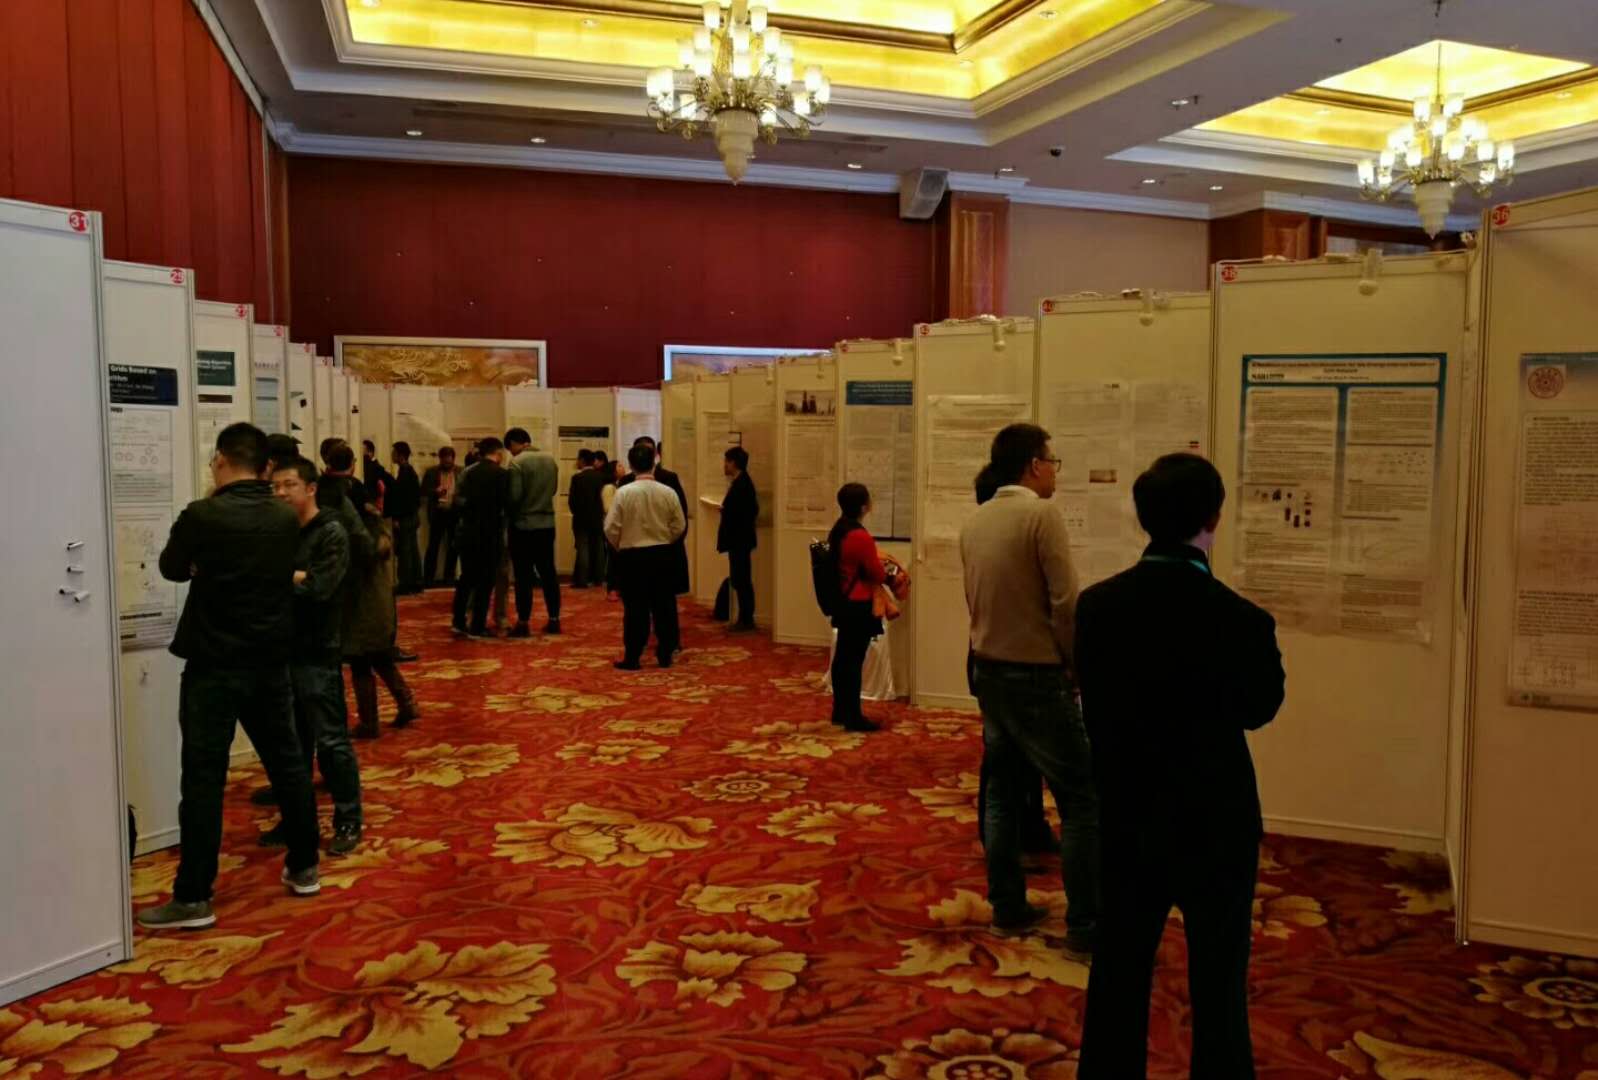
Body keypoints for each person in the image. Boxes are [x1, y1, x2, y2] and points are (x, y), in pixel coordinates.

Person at [1077, 454, 1284, 1080]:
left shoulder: (1097, 607)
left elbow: (1095, 701)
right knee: (1220, 976)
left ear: (1143, 517)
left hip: (1127, 811)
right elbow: (1260, 708)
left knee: (1118, 966)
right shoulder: (1242, 619)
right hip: (1215, 817)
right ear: (1213, 518)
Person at [137, 423, 320, 930]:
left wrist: (205, 563)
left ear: (220, 460)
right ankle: (305, 866)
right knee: (287, 765)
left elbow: (173, 568)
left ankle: (194, 895)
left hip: (214, 665)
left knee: (203, 778)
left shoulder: (202, 515)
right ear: (266, 467)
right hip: (270, 661)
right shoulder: (283, 517)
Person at [961, 422, 1099, 956]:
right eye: (1052, 462)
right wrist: (1074, 664)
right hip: (1038, 673)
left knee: (1001, 792)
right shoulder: (1042, 516)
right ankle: (1086, 926)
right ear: (1034, 465)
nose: (1055, 472)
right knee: (1081, 799)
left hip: (989, 669)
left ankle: (1008, 908)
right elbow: (1065, 602)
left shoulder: (976, 520)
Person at [264, 457, 363, 855]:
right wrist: (294, 578)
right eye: (275, 486)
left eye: (289, 485)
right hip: (281, 648)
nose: (281, 493)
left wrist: (284, 578)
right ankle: (296, 819)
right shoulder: (279, 532)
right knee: (291, 744)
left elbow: (320, 589)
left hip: (318, 650)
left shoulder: (331, 532)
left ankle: (348, 818)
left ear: (310, 488)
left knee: (331, 741)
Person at [970, 462, 1055, 859]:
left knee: (1005, 762)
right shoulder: (1026, 525)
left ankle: (1019, 836)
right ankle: (1022, 837)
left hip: (986, 659)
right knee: (1014, 765)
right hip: (1021, 665)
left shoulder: (980, 534)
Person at [343, 492, 419, 738]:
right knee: (380, 657)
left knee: (361, 662)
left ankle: (369, 721)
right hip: (380, 604)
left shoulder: (357, 536)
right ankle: (407, 703)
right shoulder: (377, 528)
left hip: (361, 607)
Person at [605, 443, 686, 670]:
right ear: (654, 463)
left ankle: (633, 656)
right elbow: (679, 525)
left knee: (635, 608)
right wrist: (666, 540)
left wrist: (621, 546)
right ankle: (665, 653)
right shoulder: (667, 492)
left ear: (631, 465)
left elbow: (611, 527)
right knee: (664, 606)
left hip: (632, 556)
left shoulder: (623, 493)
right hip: (662, 554)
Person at [827, 482, 885, 734]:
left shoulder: (838, 529)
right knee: (853, 661)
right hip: (858, 603)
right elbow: (877, 572)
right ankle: (853, 716)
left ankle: (840, 710)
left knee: (842, 659)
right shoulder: (860, 536)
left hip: (843, 600)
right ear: (864, 506)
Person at [504, 427, 562, 637]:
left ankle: (523, 622)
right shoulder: (550, 460)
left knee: (523, 576)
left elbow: (515, 497)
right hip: (547, 524)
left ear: (514, 443)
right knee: (548, 574)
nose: (510, 453)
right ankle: (554, 619)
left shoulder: (517, 463)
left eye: (510, 448)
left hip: (523, 526)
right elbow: (553, 490)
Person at [618, 436, 690, 600]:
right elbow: (615, 523)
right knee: (636, 602)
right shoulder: (625, 482)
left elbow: (680, 518)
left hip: (663, 549)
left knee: (663, 601)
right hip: (633, 550)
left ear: (655, 455)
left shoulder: (669, 478)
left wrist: (669, 540)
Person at [453, 436, 510, 637]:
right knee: (486, 581)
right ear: (498, 452)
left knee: (466, 578)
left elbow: (457, 500)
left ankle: (458, 621)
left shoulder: (468, 472)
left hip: (469, 531)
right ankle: (478, 624)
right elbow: (506, 504)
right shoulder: (502, 474)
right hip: (491, 532)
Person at [717, 445, 759, 632]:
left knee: (742, 580)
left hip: (740, 540)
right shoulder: (740, 482)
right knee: (740, 579)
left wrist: (727, 511)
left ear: (733, 463)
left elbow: (748, 511)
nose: (724, 465)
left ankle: (746, 619)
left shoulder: (743, 484)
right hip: (739, 540)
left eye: (726, 461)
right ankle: (745, 618)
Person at [569, 450, 609, 590]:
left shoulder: (577, 478)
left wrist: (576, 512)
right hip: (597, 518)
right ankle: (599, 579)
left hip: (581, 518)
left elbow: (572, 501)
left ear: (582, 460)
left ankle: (582, 580)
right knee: (599, 548)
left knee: (583, 548)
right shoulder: (601, 477)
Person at [421, 445, 460, 588]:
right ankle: (428, 578)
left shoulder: (460, 472)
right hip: (438, 513)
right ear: (440, 459)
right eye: (445, 460)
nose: (447, 463)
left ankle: (449, 577)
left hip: (454, 513)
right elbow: (423, 491)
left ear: (453, 459)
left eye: (449, 460)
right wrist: (435, 492)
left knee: (453, 547)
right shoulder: (431, 472)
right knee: (433, 546)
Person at [387, 441, 423, 595]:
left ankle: (406, 583)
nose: (392, 455)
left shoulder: (405, 473)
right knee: (412, 550)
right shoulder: (408, 471)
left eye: (394, 452)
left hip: (406, 517)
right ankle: (415, 581)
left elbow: (403, 499)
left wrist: (397, 517)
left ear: (400, 455)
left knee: (405, 551)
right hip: (411, 516)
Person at [362, 439, 392, 505]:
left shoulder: (375, 467)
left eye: (363, 451)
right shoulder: (369, 465)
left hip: (371, 499)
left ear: (370, 453)